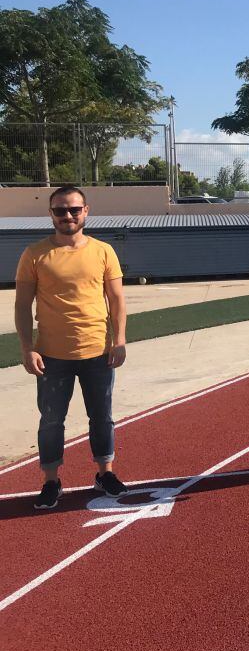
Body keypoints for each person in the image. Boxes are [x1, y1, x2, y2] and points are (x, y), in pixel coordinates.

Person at [14, 186, 129, 510]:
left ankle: (104, 473)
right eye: (60, 210)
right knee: (51, 420)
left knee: (101, 417)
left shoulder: (103, 251)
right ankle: (51, 481)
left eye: (74, 210)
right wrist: (27, 348)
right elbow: (22, 305)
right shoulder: (34, 254)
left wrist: (118, 340)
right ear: (51, 214)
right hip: (51, 355)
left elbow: (117, 299)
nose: (68, 216)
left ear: (86, 211)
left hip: (97, 352)